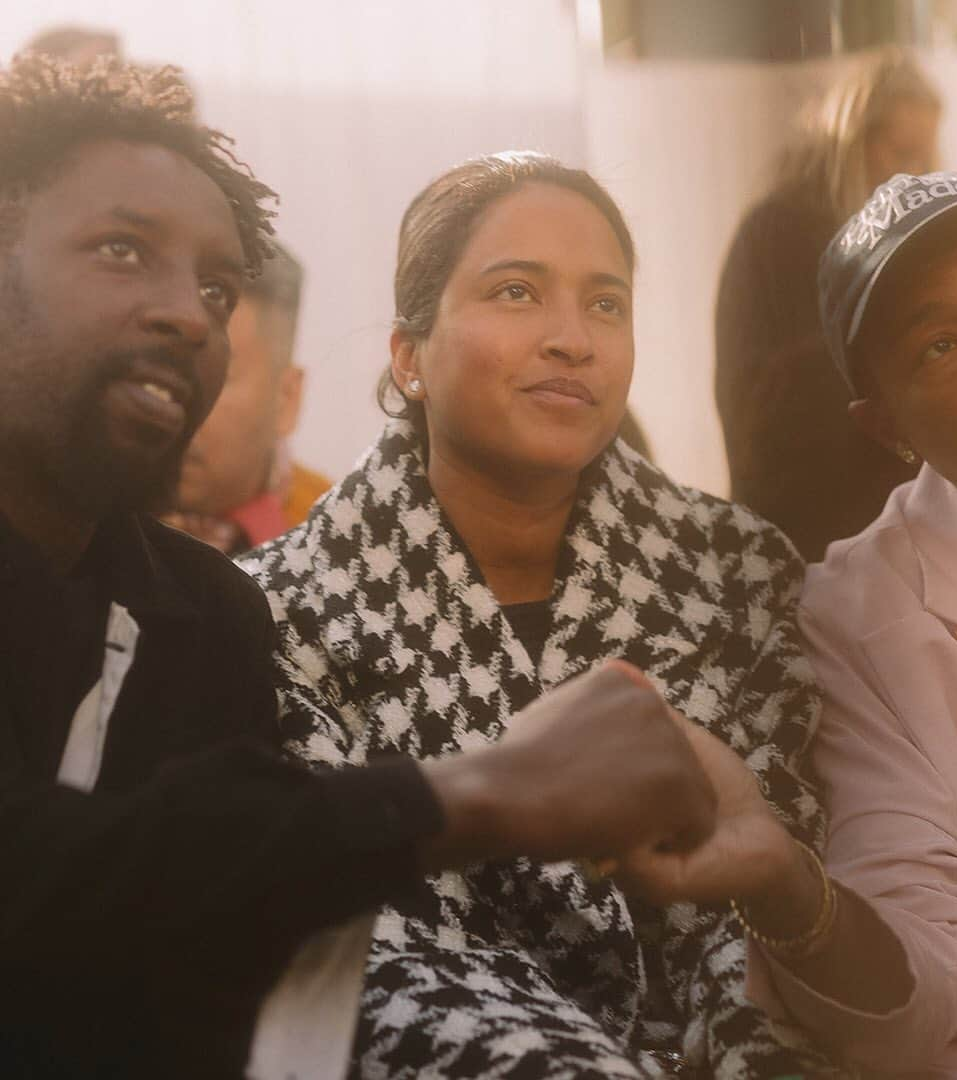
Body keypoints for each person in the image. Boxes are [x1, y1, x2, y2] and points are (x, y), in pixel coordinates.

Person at [0, 54, 724, 1080]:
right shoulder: (296, 603)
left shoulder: (205, 617)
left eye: (216, 286)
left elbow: (222, 977)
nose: (189, 314)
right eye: (122, 250)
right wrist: (474, 793)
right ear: (408, 356)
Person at [243, 152, 828, 1078]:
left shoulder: (742, 574)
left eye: (606, 304)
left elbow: (775, 898)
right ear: (409, 353)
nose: (573, 338)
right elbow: (374, 966)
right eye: (517, 292)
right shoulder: (277, 611)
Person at [736, 169, 957, 1077]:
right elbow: (908, 997)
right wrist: (787, 891)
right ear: (886, 427)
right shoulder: (859, 625)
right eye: (940, 345)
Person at [714, 48, 941, 561]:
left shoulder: (876, 242)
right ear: (850, 140)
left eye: (925, 157)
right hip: (805, 542)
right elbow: (766, 414)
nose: (913, 175)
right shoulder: (781, 232)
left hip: (880, 541)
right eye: (900, 151)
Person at [162, 241, 332, 554]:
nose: (176, 402)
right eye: (163, 365)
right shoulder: (86, 519)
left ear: (286, 399)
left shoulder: (339, 537)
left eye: (215, 374)